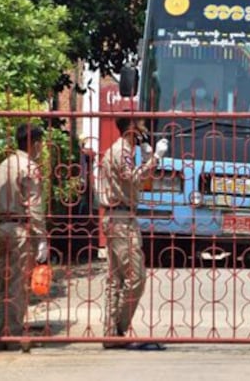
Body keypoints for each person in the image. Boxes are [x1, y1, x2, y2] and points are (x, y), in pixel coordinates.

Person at [96, 114, 168, 349]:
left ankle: (112, 333)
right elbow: (134, 178)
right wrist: (155, 158)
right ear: (131, 128)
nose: (145, 129)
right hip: (121, 219)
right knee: (136, 277)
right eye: (142, 125)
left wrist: (146, 156)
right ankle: (117, 327)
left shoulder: (122, 150)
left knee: (116, 279)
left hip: (118, 216)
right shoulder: (122, 151)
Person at [0, 124, 49, 350]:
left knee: (4, 282)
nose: (41, 148)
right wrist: (42, 236)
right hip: (20, 229)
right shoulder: (30, 167)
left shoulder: (5, 164)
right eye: (41, 144)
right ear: (34, 143)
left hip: (2, 225)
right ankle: (12, 334)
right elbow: (34, 205)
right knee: (17, 285)